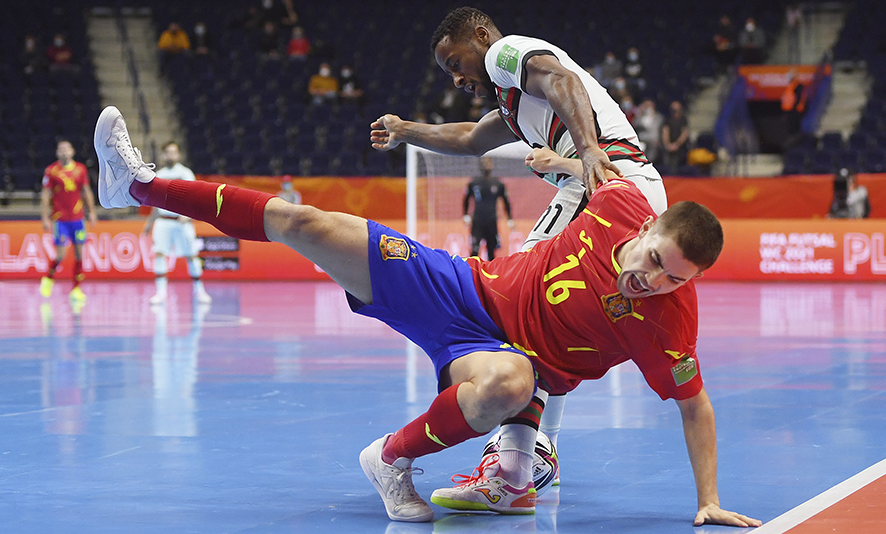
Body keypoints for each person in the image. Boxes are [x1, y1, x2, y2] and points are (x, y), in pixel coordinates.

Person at [95, 105, 761, 528]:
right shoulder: (619, 203)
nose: (652, 282)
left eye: (674, 279)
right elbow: (594, 164)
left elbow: (694, 405)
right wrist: (564, 160)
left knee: (512, 385)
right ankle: (136, 185)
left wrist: (707, 498)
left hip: (508, 362)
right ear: (647, 230)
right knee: (304, 222)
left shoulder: (669, 320)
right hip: (460, 291)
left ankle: (390, 461)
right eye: (653, 262)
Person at [370, 6, 666, 497]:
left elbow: (560, 77)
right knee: (544, 323)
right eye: (449, 72)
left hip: (604, 186)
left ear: (482, 37)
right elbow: (466, 138)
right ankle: (530, 456)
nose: (458, 77)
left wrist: (589, 149)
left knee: (513, 309)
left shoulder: (511, 53)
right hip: (616, 190)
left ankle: (518, 462)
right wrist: (405, 129)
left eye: (456, 62)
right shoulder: (513, 102)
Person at [142, 142, 211, 306]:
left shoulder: (185, 173)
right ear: (163, 155)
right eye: (168, 152)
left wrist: (190, 215)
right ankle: (160, 293)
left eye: (174, 152)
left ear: (178, 154)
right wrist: (149, 223)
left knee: (191, 255)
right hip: (163, 222)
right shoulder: (158, 175)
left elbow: (195, 197)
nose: (171, 155)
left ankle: (199, 291)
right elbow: (155, 203)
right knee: (159, 254)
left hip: (182, 222)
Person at [39, 140, 97, 302]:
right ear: (57, 153)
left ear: (72, 151)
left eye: (67, 149)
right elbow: (45, 195)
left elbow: (86, 191)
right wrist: (44, 217)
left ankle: (76, 289)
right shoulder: (51, 171)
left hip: (77, 219)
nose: (64, 152)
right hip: (60, 220)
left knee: (79, 255)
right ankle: (49, 278)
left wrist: (91, 211)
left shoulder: (80, 169)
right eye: (61, 149)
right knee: (60, 255)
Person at [463, 156, 514, 260]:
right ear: (480, 166)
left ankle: (490, 275)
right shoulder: (474, 182)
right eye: (484, 163)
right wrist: (466, 215)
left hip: (491, 221)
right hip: (477, 221)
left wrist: (509, 218)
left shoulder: (498, 183)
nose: (487, 165)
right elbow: (466, 199)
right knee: (474, 251)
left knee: (492, 251)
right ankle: (471, 274)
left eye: (489, 162)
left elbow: (506, 201)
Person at [661, 101, 690, 175]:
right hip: (669, 145)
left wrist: (677, 144)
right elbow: (665, 131)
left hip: (680, 145)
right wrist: (668, 144)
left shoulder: (683, 119)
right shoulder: (668, 119)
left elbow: (684, 133)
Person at [633, 99, 664, 163]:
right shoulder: (640, 117)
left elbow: (660, 130)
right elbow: (635, 123)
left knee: (652, 156)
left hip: (653, 140)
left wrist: (659, 139)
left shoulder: (658, 117)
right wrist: (640, 113)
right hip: (642, 140)